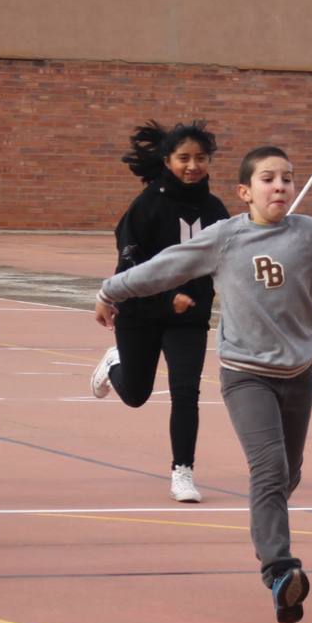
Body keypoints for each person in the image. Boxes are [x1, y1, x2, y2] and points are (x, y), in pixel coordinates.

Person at [95, 146, 312, 621]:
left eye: (287, 178)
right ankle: (280, 572)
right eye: (267, 179)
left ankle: (276, 557)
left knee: (287, 474)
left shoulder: (311, 235)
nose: (279, 186)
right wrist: (110, 290)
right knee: (269, 470)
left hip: (299, 375)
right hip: (245, 374)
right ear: (245, 191)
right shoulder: (226, 238)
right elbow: (166, 267)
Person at [87, 120, 230, 503]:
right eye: (183, 158)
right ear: (168, 160)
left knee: (187, 392)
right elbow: (129, 268)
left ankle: (182, 471)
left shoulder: (215, 210)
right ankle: (114, 363)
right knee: (136, 394)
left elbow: (227, 260)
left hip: (190, 319)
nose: (192, 165)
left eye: (200, 158)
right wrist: (165, 299)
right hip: (141, 314)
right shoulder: (147, 207)